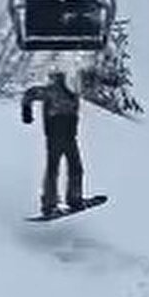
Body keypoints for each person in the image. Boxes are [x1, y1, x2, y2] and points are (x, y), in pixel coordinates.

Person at [21, 65, 85, 217]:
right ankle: (50, 204)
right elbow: (30, 94)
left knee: (75, 168)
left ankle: (74, 199)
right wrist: (26, 111)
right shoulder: (52, 91)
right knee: (54, 169)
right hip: (55, 136)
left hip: (70, 136)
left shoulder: (73, 93)